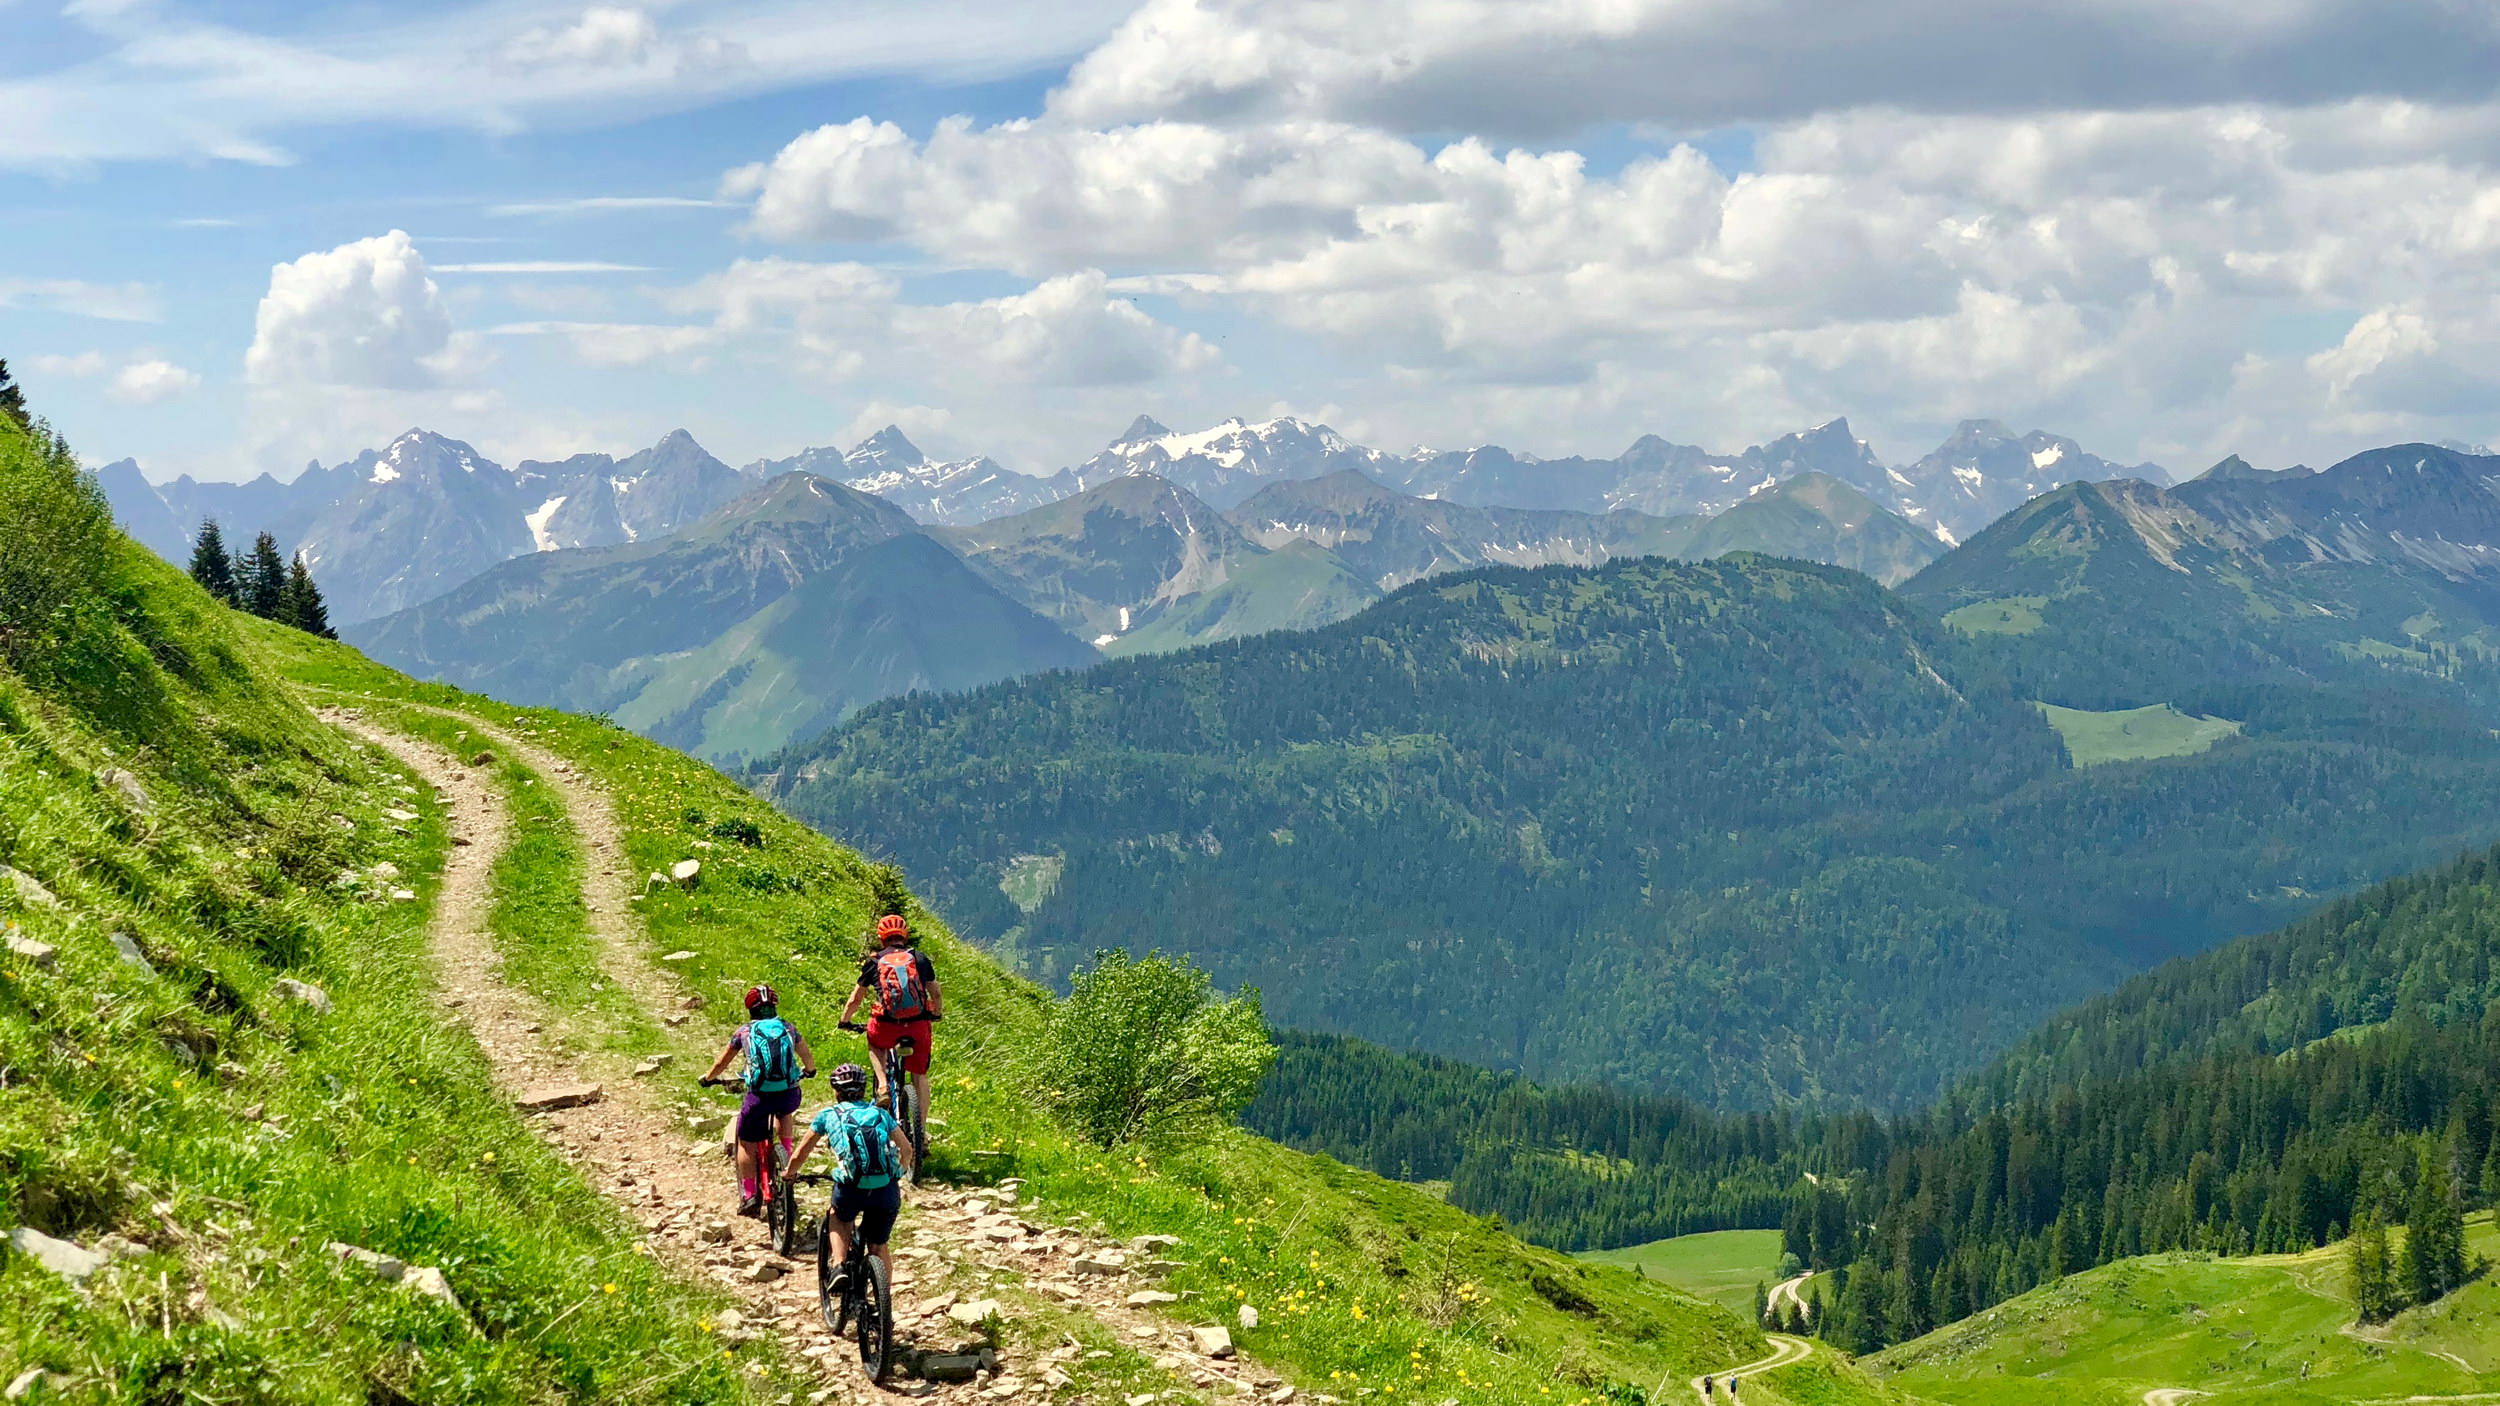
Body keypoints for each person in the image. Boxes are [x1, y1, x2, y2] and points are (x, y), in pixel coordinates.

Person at [788, 1063, 907, 1297]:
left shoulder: (828, 1115)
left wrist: (790, 1173)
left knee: (838, 1216)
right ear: (864, 1090)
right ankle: (883, 1300)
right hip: (886, 1189)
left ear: (836, 1090)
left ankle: (839, 1266)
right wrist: (898, 1173)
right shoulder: (880, 1114)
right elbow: (907, 1149)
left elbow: (800, 1153)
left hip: (851, 1188)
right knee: (879, 1245)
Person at [700, 984, 817, 1217]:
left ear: (750, 1009)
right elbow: (807, 1056)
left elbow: (721, 1062)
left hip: (759, 1097)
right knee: (786, 1114)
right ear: (774, 1005)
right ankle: (785, 1159)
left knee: (746, 1141)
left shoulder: (744, 1032)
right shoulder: (788, 1027)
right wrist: (809, 1071)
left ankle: (749, 1195)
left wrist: (708, 1078)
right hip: (789, 1094)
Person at [839, 915, 941, 1146]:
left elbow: (856, 998)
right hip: (918, 1025)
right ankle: (920, 1132)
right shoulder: (919, 958)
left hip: (886, 1024)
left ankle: (883, 1084)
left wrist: (844, 1020)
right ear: (904, 935)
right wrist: (936, 1013)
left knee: (875, 1044)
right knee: (920, 1076)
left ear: (881, 937)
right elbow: (936, 993)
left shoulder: (875, 961)